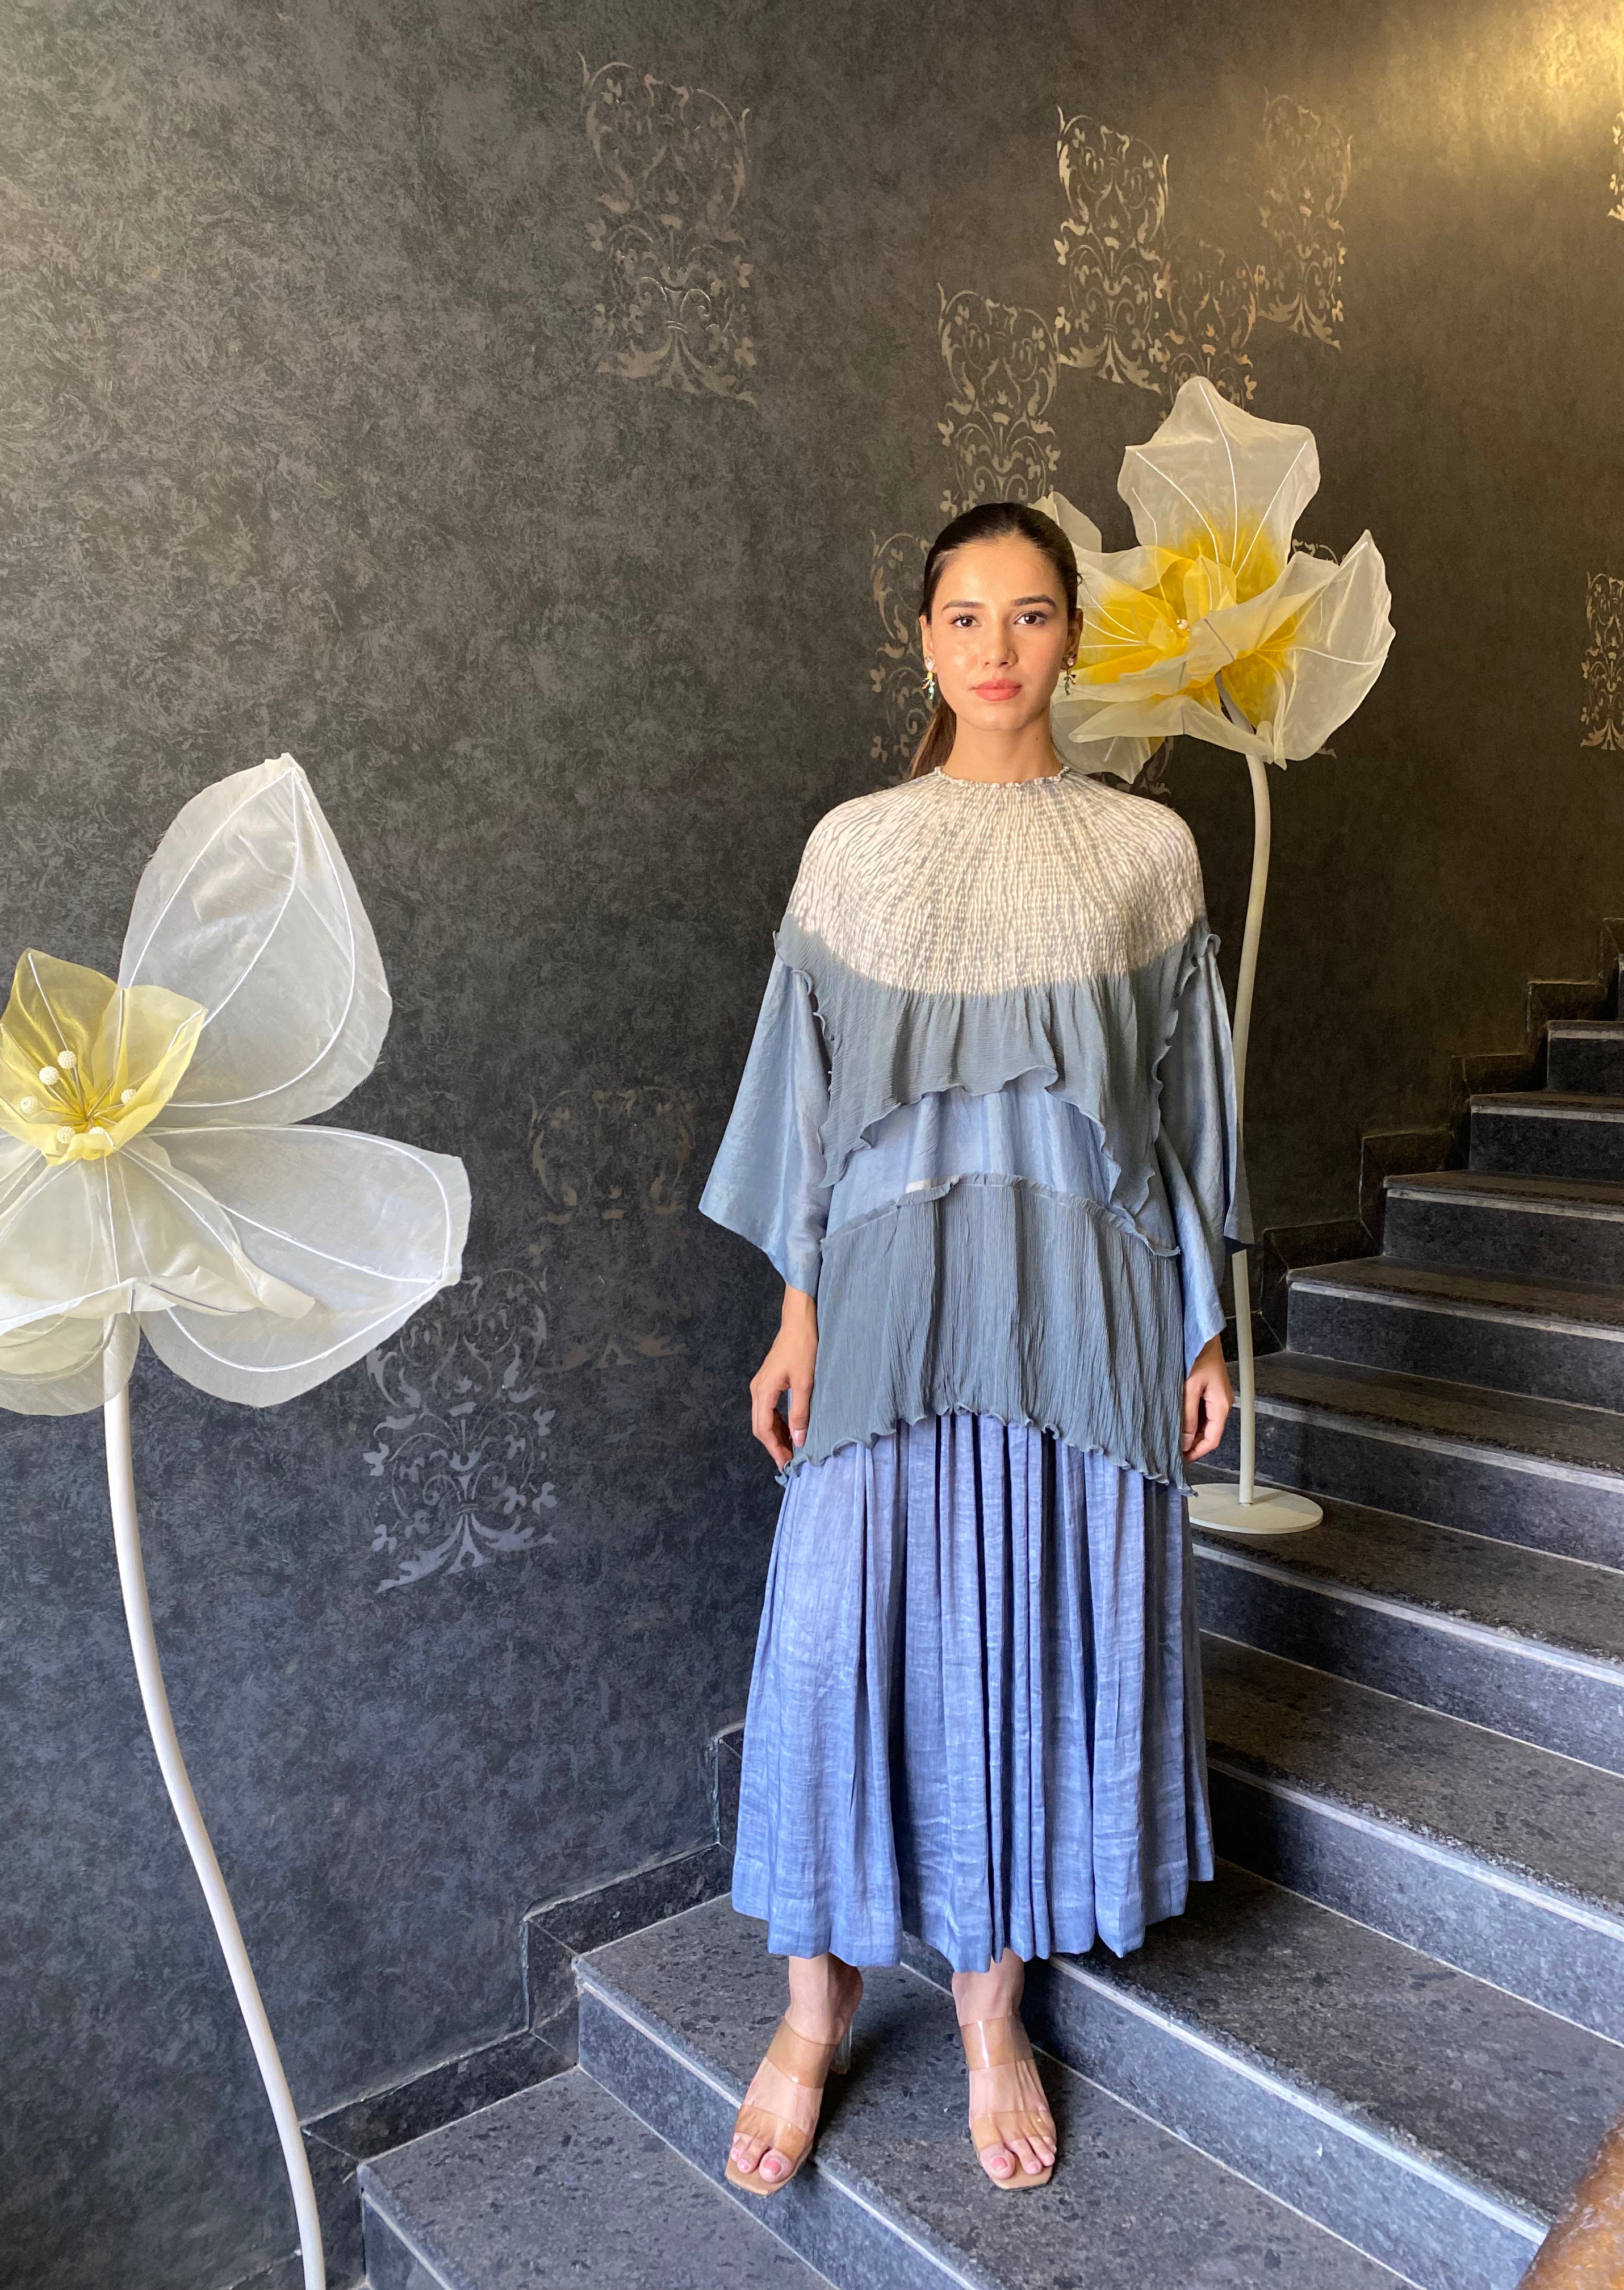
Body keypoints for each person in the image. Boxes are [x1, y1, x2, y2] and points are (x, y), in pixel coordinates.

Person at [698, 500, 1250, 2197]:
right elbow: (807, 1111)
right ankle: (812, 2010)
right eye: (965, 616)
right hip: (884, 1310)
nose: (997, 647)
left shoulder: (1147, 851)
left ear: (1072, 634)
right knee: (836, 1639)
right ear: (925, 640)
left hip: (1087, 1309)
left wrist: (1204, 1323)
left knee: (1027, 1638)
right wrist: (796, 1312)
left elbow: (1185, 1114)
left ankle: (992, 2011)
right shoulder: (853, 849)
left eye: (1030, 614)